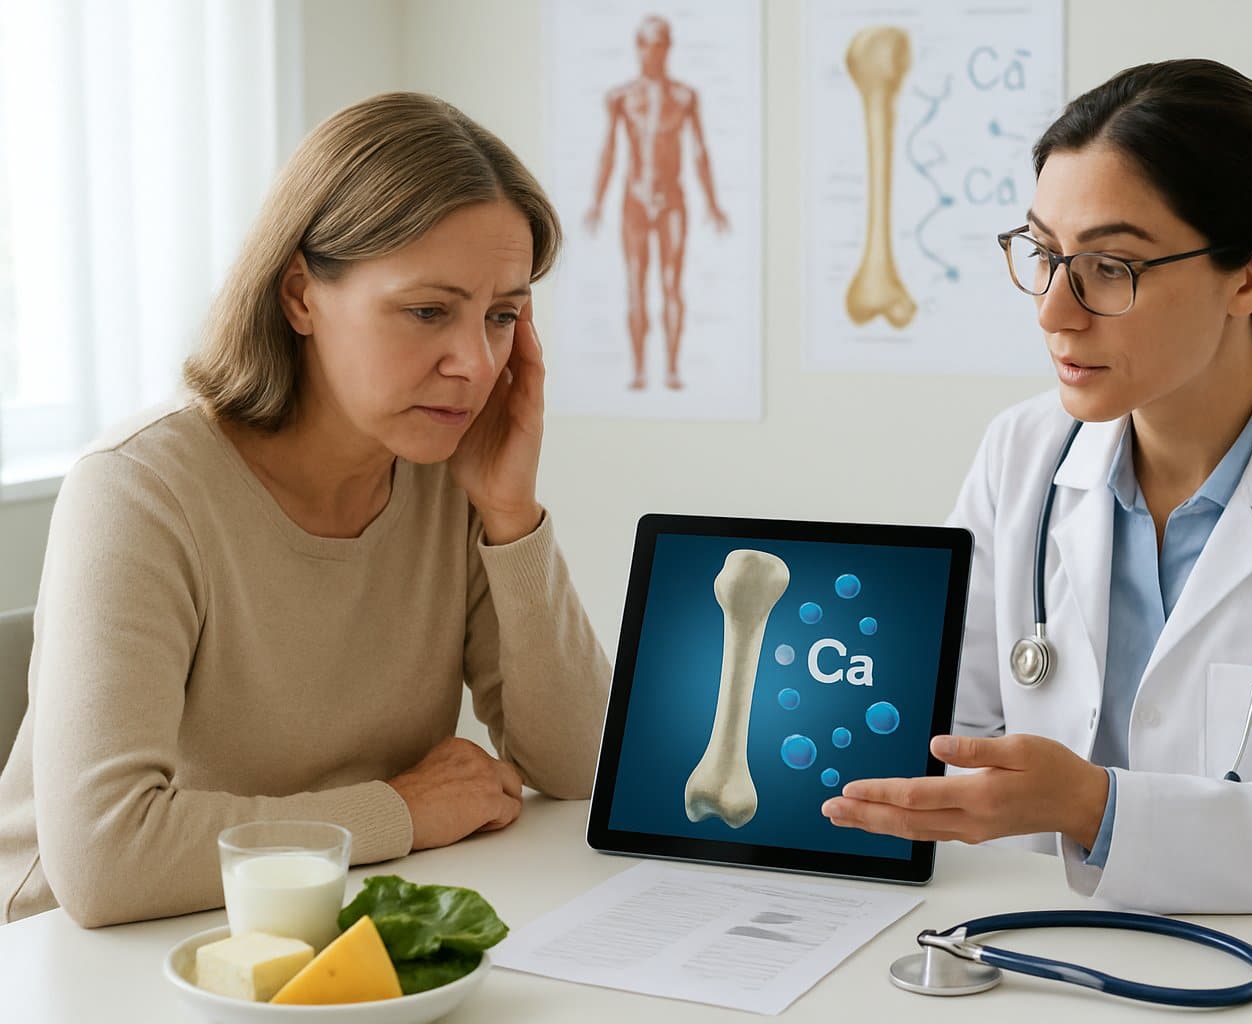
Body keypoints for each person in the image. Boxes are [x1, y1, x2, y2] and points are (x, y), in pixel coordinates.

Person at [820, 59, 1252, 938]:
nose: (1054, 313)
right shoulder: (1023, 450)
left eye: (1109, 267)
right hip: (1067, 942)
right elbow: (942, 727)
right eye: (1043, 254)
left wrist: (1097, 806)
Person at [0, 92, 612, 926]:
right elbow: (109, 860)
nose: (474, 362)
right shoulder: (140, 487)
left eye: (501, 316)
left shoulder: (444, 477)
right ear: (299, 296)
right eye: (429, 311)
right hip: (79, 962)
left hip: (322, 927)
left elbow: (581, 769)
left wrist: (512, 516)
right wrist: (399, 810)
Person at [583, 14, 730, 392]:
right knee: (635, 284)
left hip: (672, 199)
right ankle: (637, 369)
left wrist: (713, 202)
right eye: (646, 43)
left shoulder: (684, 97)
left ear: (669, 47)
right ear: (638, 47)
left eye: (660, 43)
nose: (653, 51)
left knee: (671, 285)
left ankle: (672, 367)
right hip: (633, 199)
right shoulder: (620, 97)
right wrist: (597, 201)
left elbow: (699, 152)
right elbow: (609, 151)